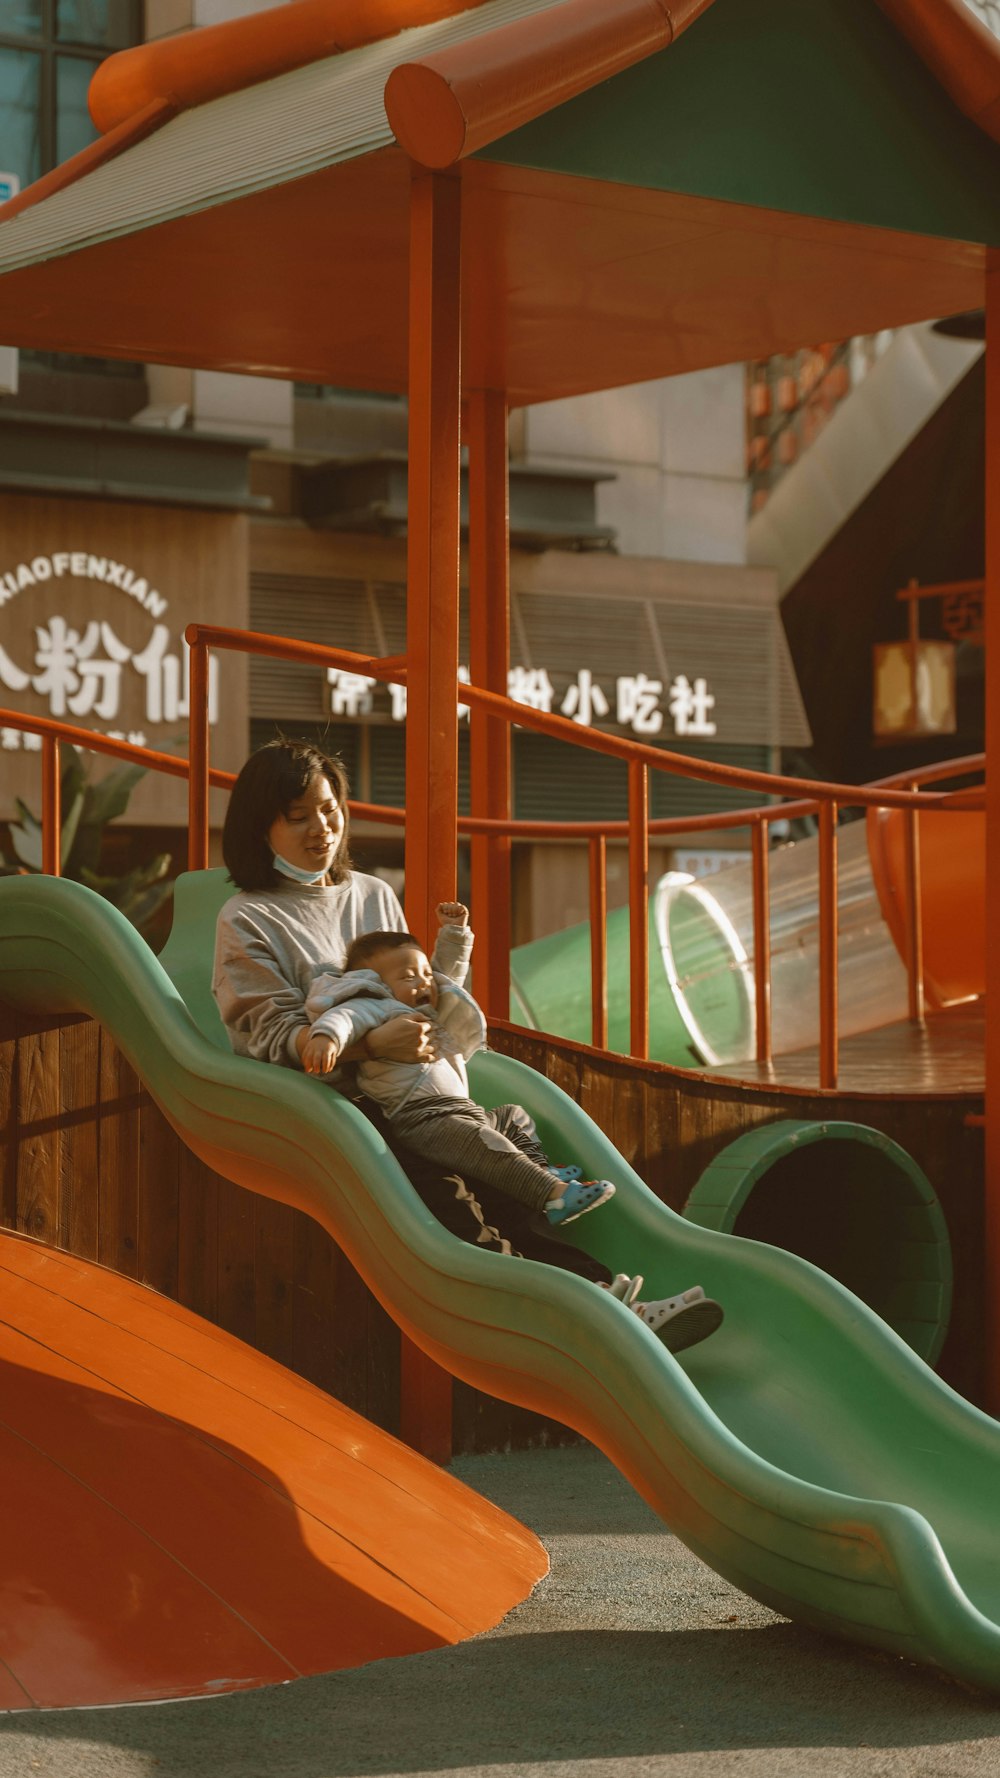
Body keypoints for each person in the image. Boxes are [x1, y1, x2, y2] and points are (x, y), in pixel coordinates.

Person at [212, 738, 723, 1354]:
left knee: (508, 1166)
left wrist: (439, 988)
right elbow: (268, 1033)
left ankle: (608, 1302)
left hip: (429, 1087)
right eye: (298, 817)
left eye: (329, 810)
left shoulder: (371, 894)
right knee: (457, 1200)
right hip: (350, 1110)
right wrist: (370, 1041)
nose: (321, 828)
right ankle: (596, 1310)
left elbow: (411, 979)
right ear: (259, 827)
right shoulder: (248, 917)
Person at [302, 904, 618, 1226]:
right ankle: (554, 1195)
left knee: (513, 1117)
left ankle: (539, 1169)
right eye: (408, 977)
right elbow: (344, 1017)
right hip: (426, 1120)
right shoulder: (375, 1006)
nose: (424, 982)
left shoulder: (431, 1005)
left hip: (463, 1111)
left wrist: (453, 933)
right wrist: (326, 1038)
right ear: (376, 984)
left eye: (425, 973)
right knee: (490, 1146)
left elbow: (447, 973)